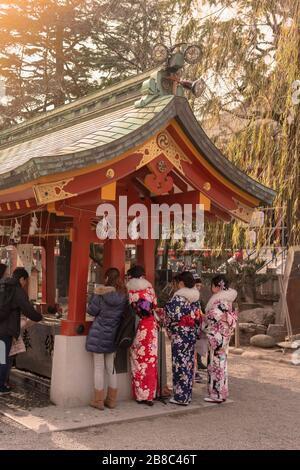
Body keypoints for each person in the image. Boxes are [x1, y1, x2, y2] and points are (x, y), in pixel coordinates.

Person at [86, 267, 127, 410]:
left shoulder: (101, 293)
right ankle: (112, 400)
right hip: (113, 335)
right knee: (111, 367)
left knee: (98, 367)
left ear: (107, 278)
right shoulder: (123, 295)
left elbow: (92, 311)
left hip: (99, 334)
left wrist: (93, 296)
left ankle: (98, 401)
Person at [0, 267, 43, 395]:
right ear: (21, 279)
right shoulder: (17, 290)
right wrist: (39, 317)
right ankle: (1, 387)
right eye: (25, 281)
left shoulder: (3, 285)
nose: (25, 284)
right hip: (5, 331)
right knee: (2, 359)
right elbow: (27, 309)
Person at [164, 271, 200, 406]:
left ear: (181, 283)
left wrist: (169, 328)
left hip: (180, 335)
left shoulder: (178, 298)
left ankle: (181, 397)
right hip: (190, 334)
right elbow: (198, 317)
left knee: (180, 364)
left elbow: (170, 317)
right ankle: (187, 394)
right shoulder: (195, 298)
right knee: (189, 364)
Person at [127, 265, 158, 406]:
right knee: (150, 361)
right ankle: (150, 395)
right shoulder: (150, 289)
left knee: (138, 360)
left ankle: (140, 395)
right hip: (151, 326)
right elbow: (155, 305)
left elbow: (129, 308)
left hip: (139, 326)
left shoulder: (131, 290)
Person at [203, 274, 238, 403]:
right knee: (222, 363)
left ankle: (216, 394)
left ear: (218, 286)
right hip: (224, 334)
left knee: (215, 364)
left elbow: (211, 318)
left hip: (217, 336)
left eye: (212, 285)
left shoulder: (219, 301)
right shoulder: (228, 301)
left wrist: (203, 324)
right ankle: (222, 393)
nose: (211, 288)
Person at [193, 274, 207, 384]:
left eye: (199, 286)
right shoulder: (190, 296)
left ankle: (199, 363)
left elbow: (202, 308)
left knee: (199, 345)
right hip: (191, 326)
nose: (198, 288)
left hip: (198, 324)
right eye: (196, 285)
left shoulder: (199, 297)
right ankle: (195, 371)